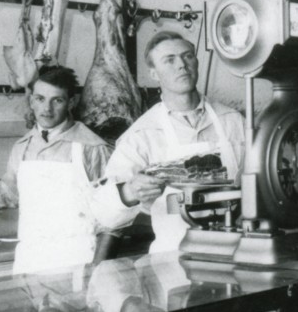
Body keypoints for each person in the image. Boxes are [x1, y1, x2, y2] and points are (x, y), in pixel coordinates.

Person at [0, 65, 113, 275]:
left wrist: (97, 272)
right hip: (30, 262)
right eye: (40, 99)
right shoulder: (22, 147)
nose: (47, 109)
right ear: (31, 100)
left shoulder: (93, 148)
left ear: (71, 102)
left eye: (57, 100)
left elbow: (113, 218)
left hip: (77, 262)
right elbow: (6, 195)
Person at [91, 31, 245, 252]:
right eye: (169, 60)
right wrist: (130, 191)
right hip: (174, 258)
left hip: (235, 250)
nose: (181, 65)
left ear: (197, 62)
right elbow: (103, 213)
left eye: (187, 56)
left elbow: (261, 187)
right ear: (154, 73)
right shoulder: (141, 135)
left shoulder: (233, 121)